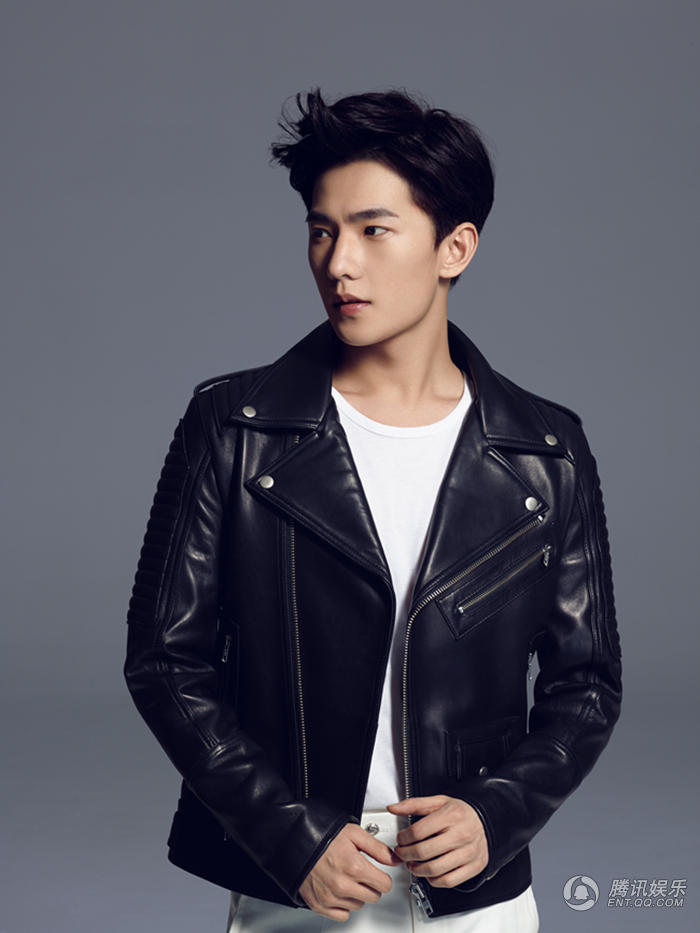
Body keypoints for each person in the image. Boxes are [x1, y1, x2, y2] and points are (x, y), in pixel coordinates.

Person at [124, 88, 622, 930]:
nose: (339, 263)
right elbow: (165, 661)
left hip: (474, 891)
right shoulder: (233, 428)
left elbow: (588, 684)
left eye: (373, 230)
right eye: (322, 231)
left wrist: (496, 813)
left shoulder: (546, 451)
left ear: (455, 247)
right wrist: (289, 836)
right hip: (299, 885)